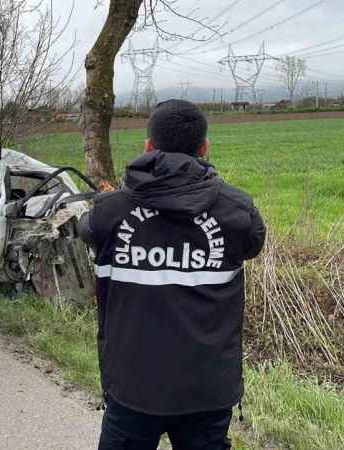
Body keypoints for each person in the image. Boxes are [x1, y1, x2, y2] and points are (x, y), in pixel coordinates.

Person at [79, 99, 266, 450]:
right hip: (207, 390)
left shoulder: (108, 213)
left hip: (132, 387)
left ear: (148, 147)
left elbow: (86, 229)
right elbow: (253, 242)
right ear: (205, 148)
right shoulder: (238, 212)